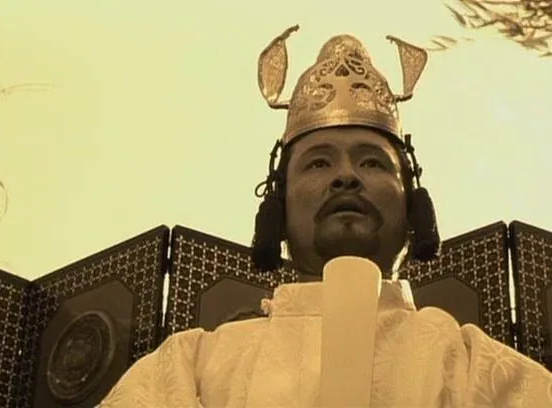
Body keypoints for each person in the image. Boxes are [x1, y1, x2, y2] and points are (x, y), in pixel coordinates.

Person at [99, 26, 552, 407]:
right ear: (277, 203)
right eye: (318, 163)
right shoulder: (189, 368)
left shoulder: (478, 369)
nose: (346, 177)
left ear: (413, 201)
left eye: (372, 162)